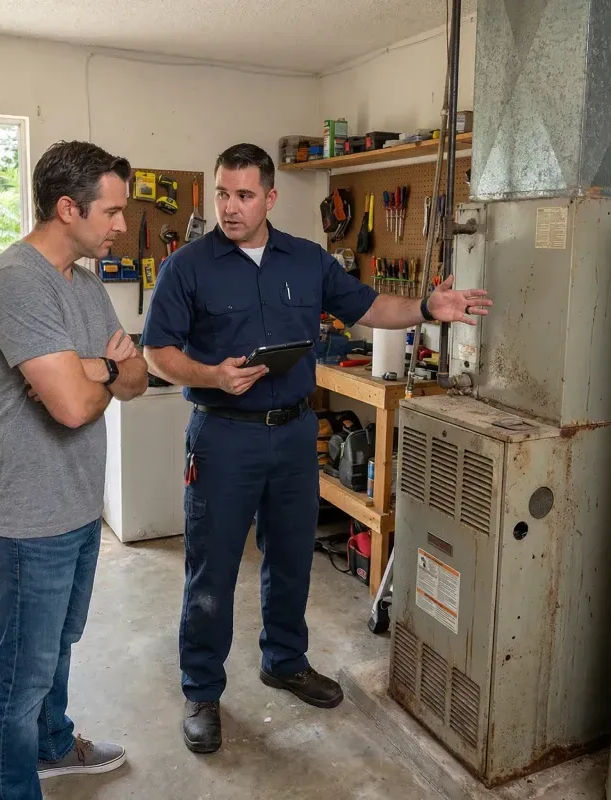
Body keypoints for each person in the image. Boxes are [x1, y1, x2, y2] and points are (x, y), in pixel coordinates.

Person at [141, 142, 491, 754]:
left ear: (271, 198)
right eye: (223, 193)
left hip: (297, 431)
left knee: (293, 555)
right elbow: (157, 353)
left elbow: (367, 304)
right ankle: (202, 688)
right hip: (224, 435)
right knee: (213, 567)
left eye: (244, 195)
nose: (230, 207)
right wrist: (212, 375)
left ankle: (284, 659)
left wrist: (428, 308)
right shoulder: (187, 267)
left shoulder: (306, 261)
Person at [0, 140, 148, 799]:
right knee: (20, 674)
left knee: (59, 647)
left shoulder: (86, 283)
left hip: (76, 507)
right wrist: (97, 369)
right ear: (68, 208)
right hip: (27, 518)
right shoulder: (16, 280)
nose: (121, 225)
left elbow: (136, 377)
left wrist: (93, 369)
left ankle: (53, 746)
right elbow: (74, 406)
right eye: (112, 211)